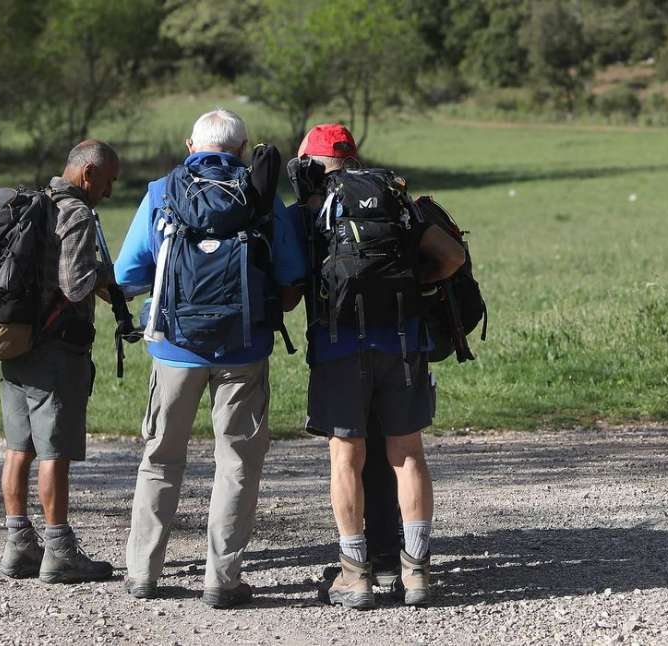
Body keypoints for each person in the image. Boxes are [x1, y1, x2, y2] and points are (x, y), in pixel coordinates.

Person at [115, 109, 304, 607]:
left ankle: (143, 573)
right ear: (243, 150)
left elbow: (128, 273)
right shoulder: (261, 197)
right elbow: (290, 287)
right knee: (237, 463)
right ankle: (222, 580)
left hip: (174, 348)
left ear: (188, 145)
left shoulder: (161, 192)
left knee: (160, 458)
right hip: (243, 349)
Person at [287, 124, 466, 609]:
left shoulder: (307, 212)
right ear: (353, 158)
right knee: (407, 455)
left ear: (308, 162)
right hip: (403, 343)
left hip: (338, 347)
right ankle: (418, 572)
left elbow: (286, 289)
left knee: (347, 457)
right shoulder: (393, 198)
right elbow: (452, 255)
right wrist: (413, 282)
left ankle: (354, 573)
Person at [0, 140, 120, 584]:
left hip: (16, 342)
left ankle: (18, 546)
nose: (107, 192)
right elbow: (75, 283)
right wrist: (109, 277)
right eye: (107, 182)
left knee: (18, 449)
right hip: (56, 350)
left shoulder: (33, 204)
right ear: (87, 174)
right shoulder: (78, 213)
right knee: (54, 453)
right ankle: (60, 549)